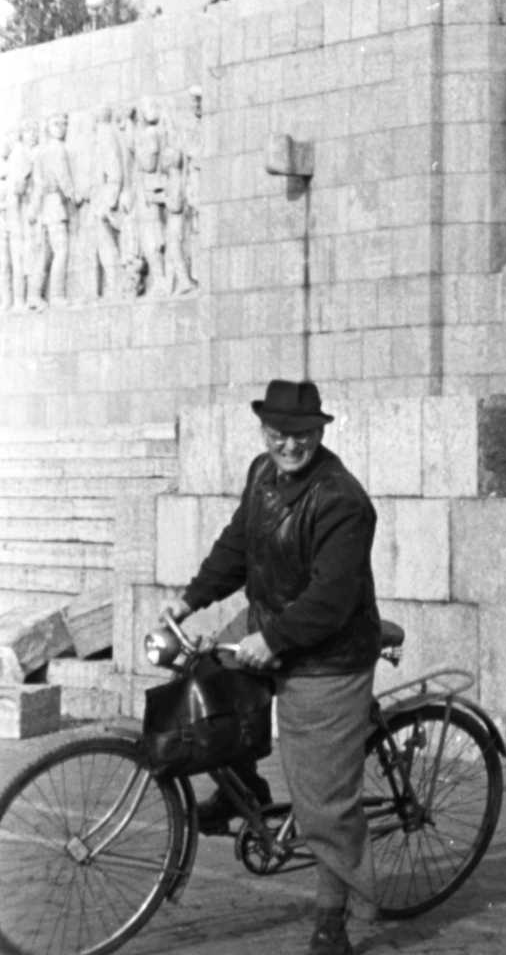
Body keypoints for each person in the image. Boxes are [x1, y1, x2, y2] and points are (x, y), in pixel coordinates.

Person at [160, 380, 383, 955]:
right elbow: (238, 547)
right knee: (203, 689)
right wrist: (191, 599)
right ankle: (250, 793)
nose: (289, 445)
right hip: (268, 624)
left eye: (301, 435)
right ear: (264, 431)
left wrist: (274, 640)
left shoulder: (341, 499)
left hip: (328, 657)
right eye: (278, 433)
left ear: (320, 432)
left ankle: (334, 918)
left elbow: (331, 599)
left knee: (323, 802)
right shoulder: (263, 474)